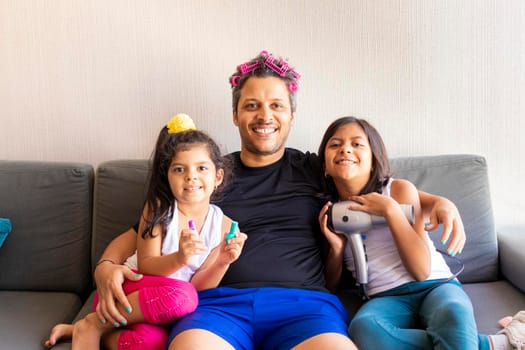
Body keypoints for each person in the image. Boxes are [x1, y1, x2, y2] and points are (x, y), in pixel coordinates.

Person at [93, 51, 468, 350]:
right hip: (217, 306)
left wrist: (437, 201)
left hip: (305, 307)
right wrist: (107, 266)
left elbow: (375, 183)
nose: (264, 116)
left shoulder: (317, 169)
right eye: (252, 105)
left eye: (276, 105)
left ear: (291, 115)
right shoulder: (207, 174)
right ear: (236, 115)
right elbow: (148, 226)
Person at [317, 116, 525, 350]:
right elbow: (330, 287)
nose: (345, 149)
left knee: (453, 312)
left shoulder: (398, 190)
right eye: (335, 144)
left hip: (435, 285)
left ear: (373, 161)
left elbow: (420, 270)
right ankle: (493, 344)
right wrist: (336, 248)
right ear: (324, 165)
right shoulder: (330, 211)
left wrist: (391, 211)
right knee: (364, 329)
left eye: (357, 144)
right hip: (384, 297)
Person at [44, 114, 246, 350]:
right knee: (183, 297)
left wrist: (223, 261)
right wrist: (180, 258)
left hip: (167, 306)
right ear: (168, 177)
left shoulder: (223, 225)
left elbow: (199, 288)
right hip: (126, 293)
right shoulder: (159, 210)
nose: (191, 176)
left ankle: (81, 328)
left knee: (155, 341)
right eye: (179, 169)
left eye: (202, 168)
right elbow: (148, 265)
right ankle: (94, 324)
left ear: (218, 176)